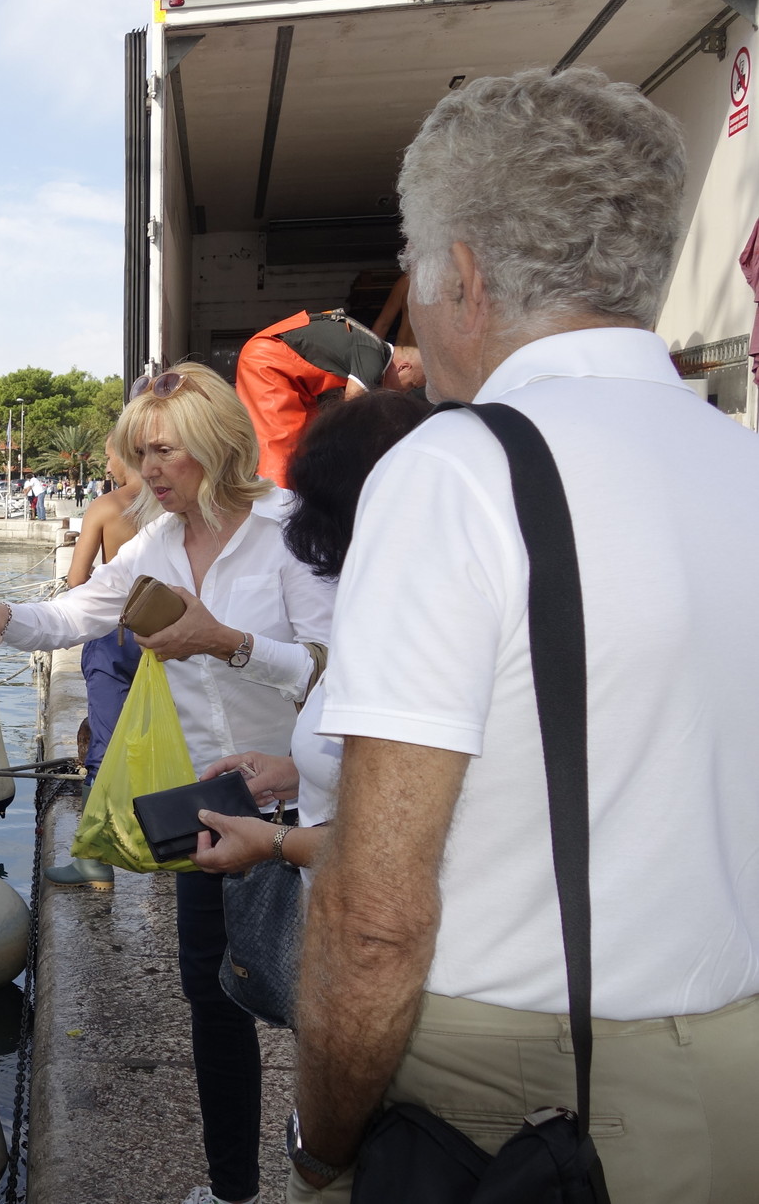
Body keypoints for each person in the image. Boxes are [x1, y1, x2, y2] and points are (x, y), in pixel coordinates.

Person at [287, 67, 759, 1202]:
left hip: (518, 1102)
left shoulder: (456, 469)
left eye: (412, 261)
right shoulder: (737, 462)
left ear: (460, 275)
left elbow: (374, 921)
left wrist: (321, 1143)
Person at [0, 364, 334, 1204]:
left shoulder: (288, 530)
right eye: (140, 451)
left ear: (216, 442)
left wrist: (224, 641)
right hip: (209, 809)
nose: (148, 469)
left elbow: (330, 667)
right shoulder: (157, 543)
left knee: (325, 1010)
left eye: (164, 450)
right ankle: (233, 1189)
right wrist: (5, 617)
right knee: (212, 997)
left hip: (304, 802)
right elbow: (81, 609)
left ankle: (330, 1175)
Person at [186, 392, 432, 884]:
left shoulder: (418, 640)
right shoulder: (393, 610)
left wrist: (274, 842)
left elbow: (390, 841)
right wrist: (295, 771)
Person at [234, 310, 423, 488]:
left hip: (294, 378)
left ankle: (299, 497)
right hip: (268, 362)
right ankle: (277, 503)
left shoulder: (372, 349)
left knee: (306, 444)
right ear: (404, 367)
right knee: (283, 446)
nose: (405, 392)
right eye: (411, 385)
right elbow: (351, 414)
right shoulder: (372, 357)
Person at [65, 397, 151, 783]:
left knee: (107, 742)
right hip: (161, 630)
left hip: (114, 630)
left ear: (125, 455)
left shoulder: (105, 506)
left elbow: (76, 580)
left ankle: (100, 809)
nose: (105, 465)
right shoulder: (167, 504)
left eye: (108, 456)